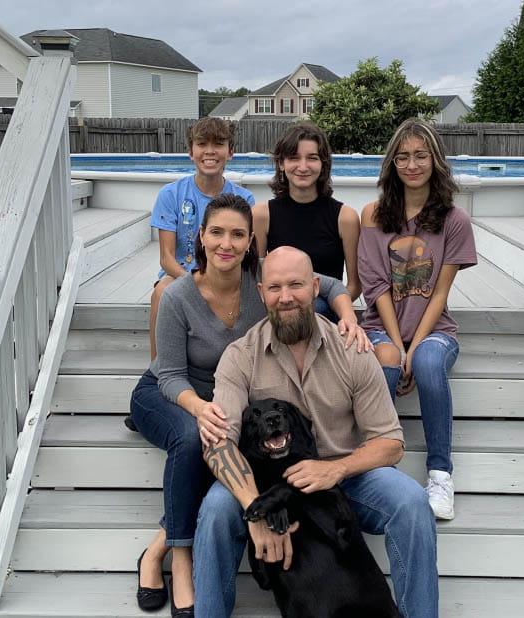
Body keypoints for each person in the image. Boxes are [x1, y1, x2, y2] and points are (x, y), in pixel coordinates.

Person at [129, 195, 368, 615]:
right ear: (201, 237)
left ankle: (163, 545)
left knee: (225, 439)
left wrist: (346, 314)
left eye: (238, 234)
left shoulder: (262, 280)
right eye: (217, 232)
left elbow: (326, 284)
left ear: (250, 241)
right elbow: (167, 375)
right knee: (194, 436)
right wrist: (200, 408)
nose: (227, 243)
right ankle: (173, 555)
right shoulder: (177, 296)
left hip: (226, 393)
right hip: (168, 392)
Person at [193, 246, 438, 618]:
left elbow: (390, 443)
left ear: (315, 287)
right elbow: (218, 444)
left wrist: (335, 469)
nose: (286, 297)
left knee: (412, 503)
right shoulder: (241, 356)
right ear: (261, 293)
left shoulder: (352, 349)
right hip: (270, 485)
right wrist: (255, 510)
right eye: (274, 287)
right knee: (214, 509)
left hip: (346, 478)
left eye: (296, 285)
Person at [358, 118, 477, 521]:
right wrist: (397, 344)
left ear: (435, 161)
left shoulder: (454, 220)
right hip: (379, 326)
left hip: (435, 330)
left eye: (421, 155)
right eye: (403, 156)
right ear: (392, 163)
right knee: (386, 365)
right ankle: (376, 468)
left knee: (426, 362)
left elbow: (440, 292)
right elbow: (376, 288)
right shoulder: (374, 214)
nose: (412, 164)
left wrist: (414, 347)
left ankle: (440, 473)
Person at [148, 117, 255, 359]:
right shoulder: (170, 194)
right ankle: (157, 368)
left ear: (230, 152)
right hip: (180, 275)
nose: (209, 151)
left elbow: (245, 253)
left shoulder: (244, 200)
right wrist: (194, 284)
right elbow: (166, 258)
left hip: (226, 275)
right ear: (190, 151)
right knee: (162, 292)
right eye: (201, 143)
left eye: (218, 143)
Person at [252, 123, 361, 320]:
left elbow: (354, 285)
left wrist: (329, 309)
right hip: (280, 312)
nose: (303, 167)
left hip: (325, 311)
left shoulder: (345, 218)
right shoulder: (262, 215)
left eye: (312, 158)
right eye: (294, 158)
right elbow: (259, 279)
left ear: (323, 164)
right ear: (281, 164)